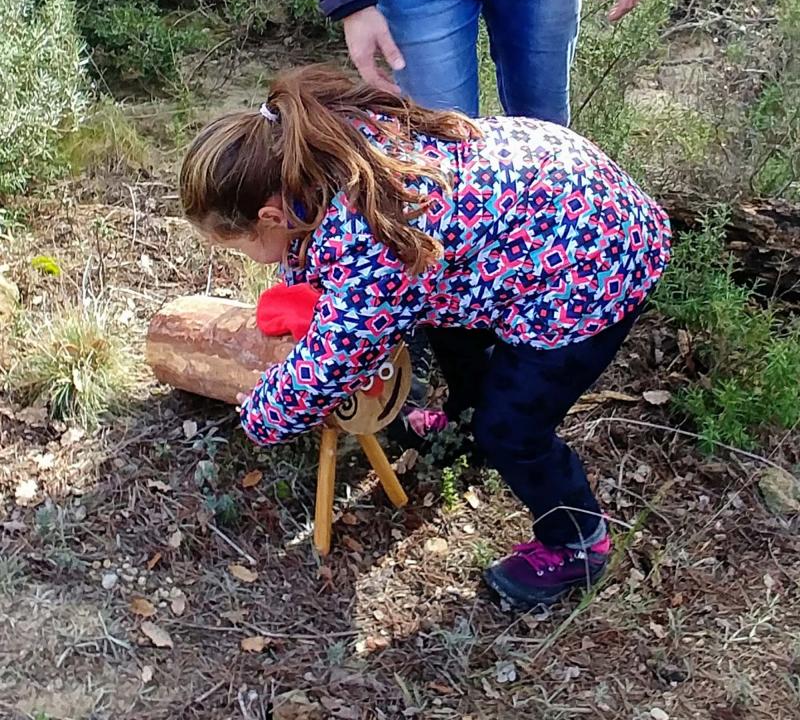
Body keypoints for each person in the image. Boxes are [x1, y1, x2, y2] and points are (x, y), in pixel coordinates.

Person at [179, 65, 671, 609]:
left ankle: (577, 542)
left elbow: (334, 361)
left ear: (270, 214)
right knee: (450, 332)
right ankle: (464, 424)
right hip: (551, 213)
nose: (248, 257)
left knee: (513, 427)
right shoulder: (315, 153)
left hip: (594, 263)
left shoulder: (370, 232)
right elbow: (321, 265)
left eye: (240, 245)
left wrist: (264, 415)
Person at [291, 0, 660, 125]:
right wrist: (352, 2)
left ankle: (539, 259)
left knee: (547, 135)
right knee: (442, 149)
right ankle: (456, 262)